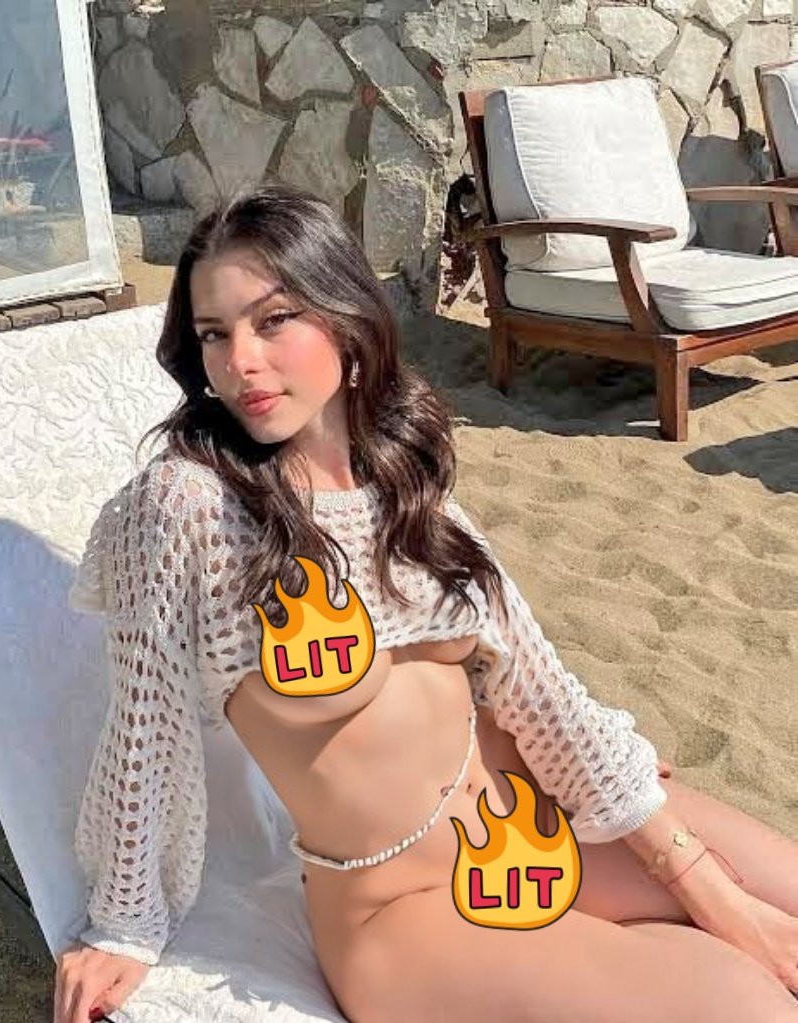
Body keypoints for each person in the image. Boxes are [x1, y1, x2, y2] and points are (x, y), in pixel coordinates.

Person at [54, 181, 798, 1023]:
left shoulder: (408, 489)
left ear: (345, 319)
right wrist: (124, 923)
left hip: (527, 818)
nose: (241, 361)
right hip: (402, 906)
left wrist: (705, 885)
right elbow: (142, 726)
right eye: (215, 334)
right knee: (747, 1004)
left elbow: (541, 693)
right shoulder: (190, 506)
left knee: (777, 909)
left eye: (274, 320)